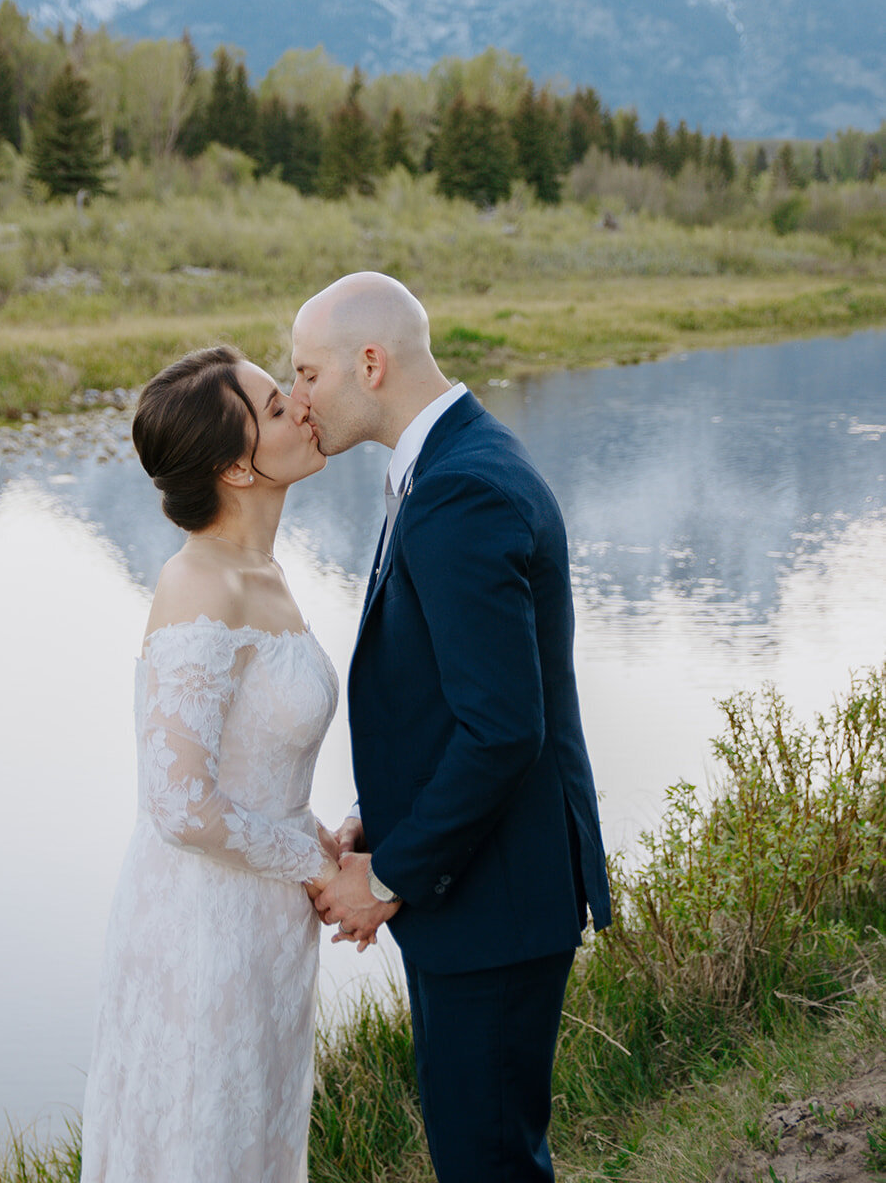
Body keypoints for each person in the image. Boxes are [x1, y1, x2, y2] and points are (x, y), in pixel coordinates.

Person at [290, 272, 612, 1183]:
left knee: (488, 1165)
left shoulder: (460, 490)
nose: (298, 397)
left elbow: (504, 729)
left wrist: (386, 873)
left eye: (307, 374)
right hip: (480, 883)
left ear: (369, 362)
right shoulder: (450, 462)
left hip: (494, 897)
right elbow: (453, 697)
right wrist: (377, 816)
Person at [80, 345, 341, 1183]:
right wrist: (317, 861)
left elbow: (254, 758)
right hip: (203, 926)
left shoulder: (260, 571)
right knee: (202, 1143)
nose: (300, 407)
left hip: (264, 921)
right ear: (235, 465)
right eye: (274, 407)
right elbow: (179, 803)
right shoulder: (200, 584)